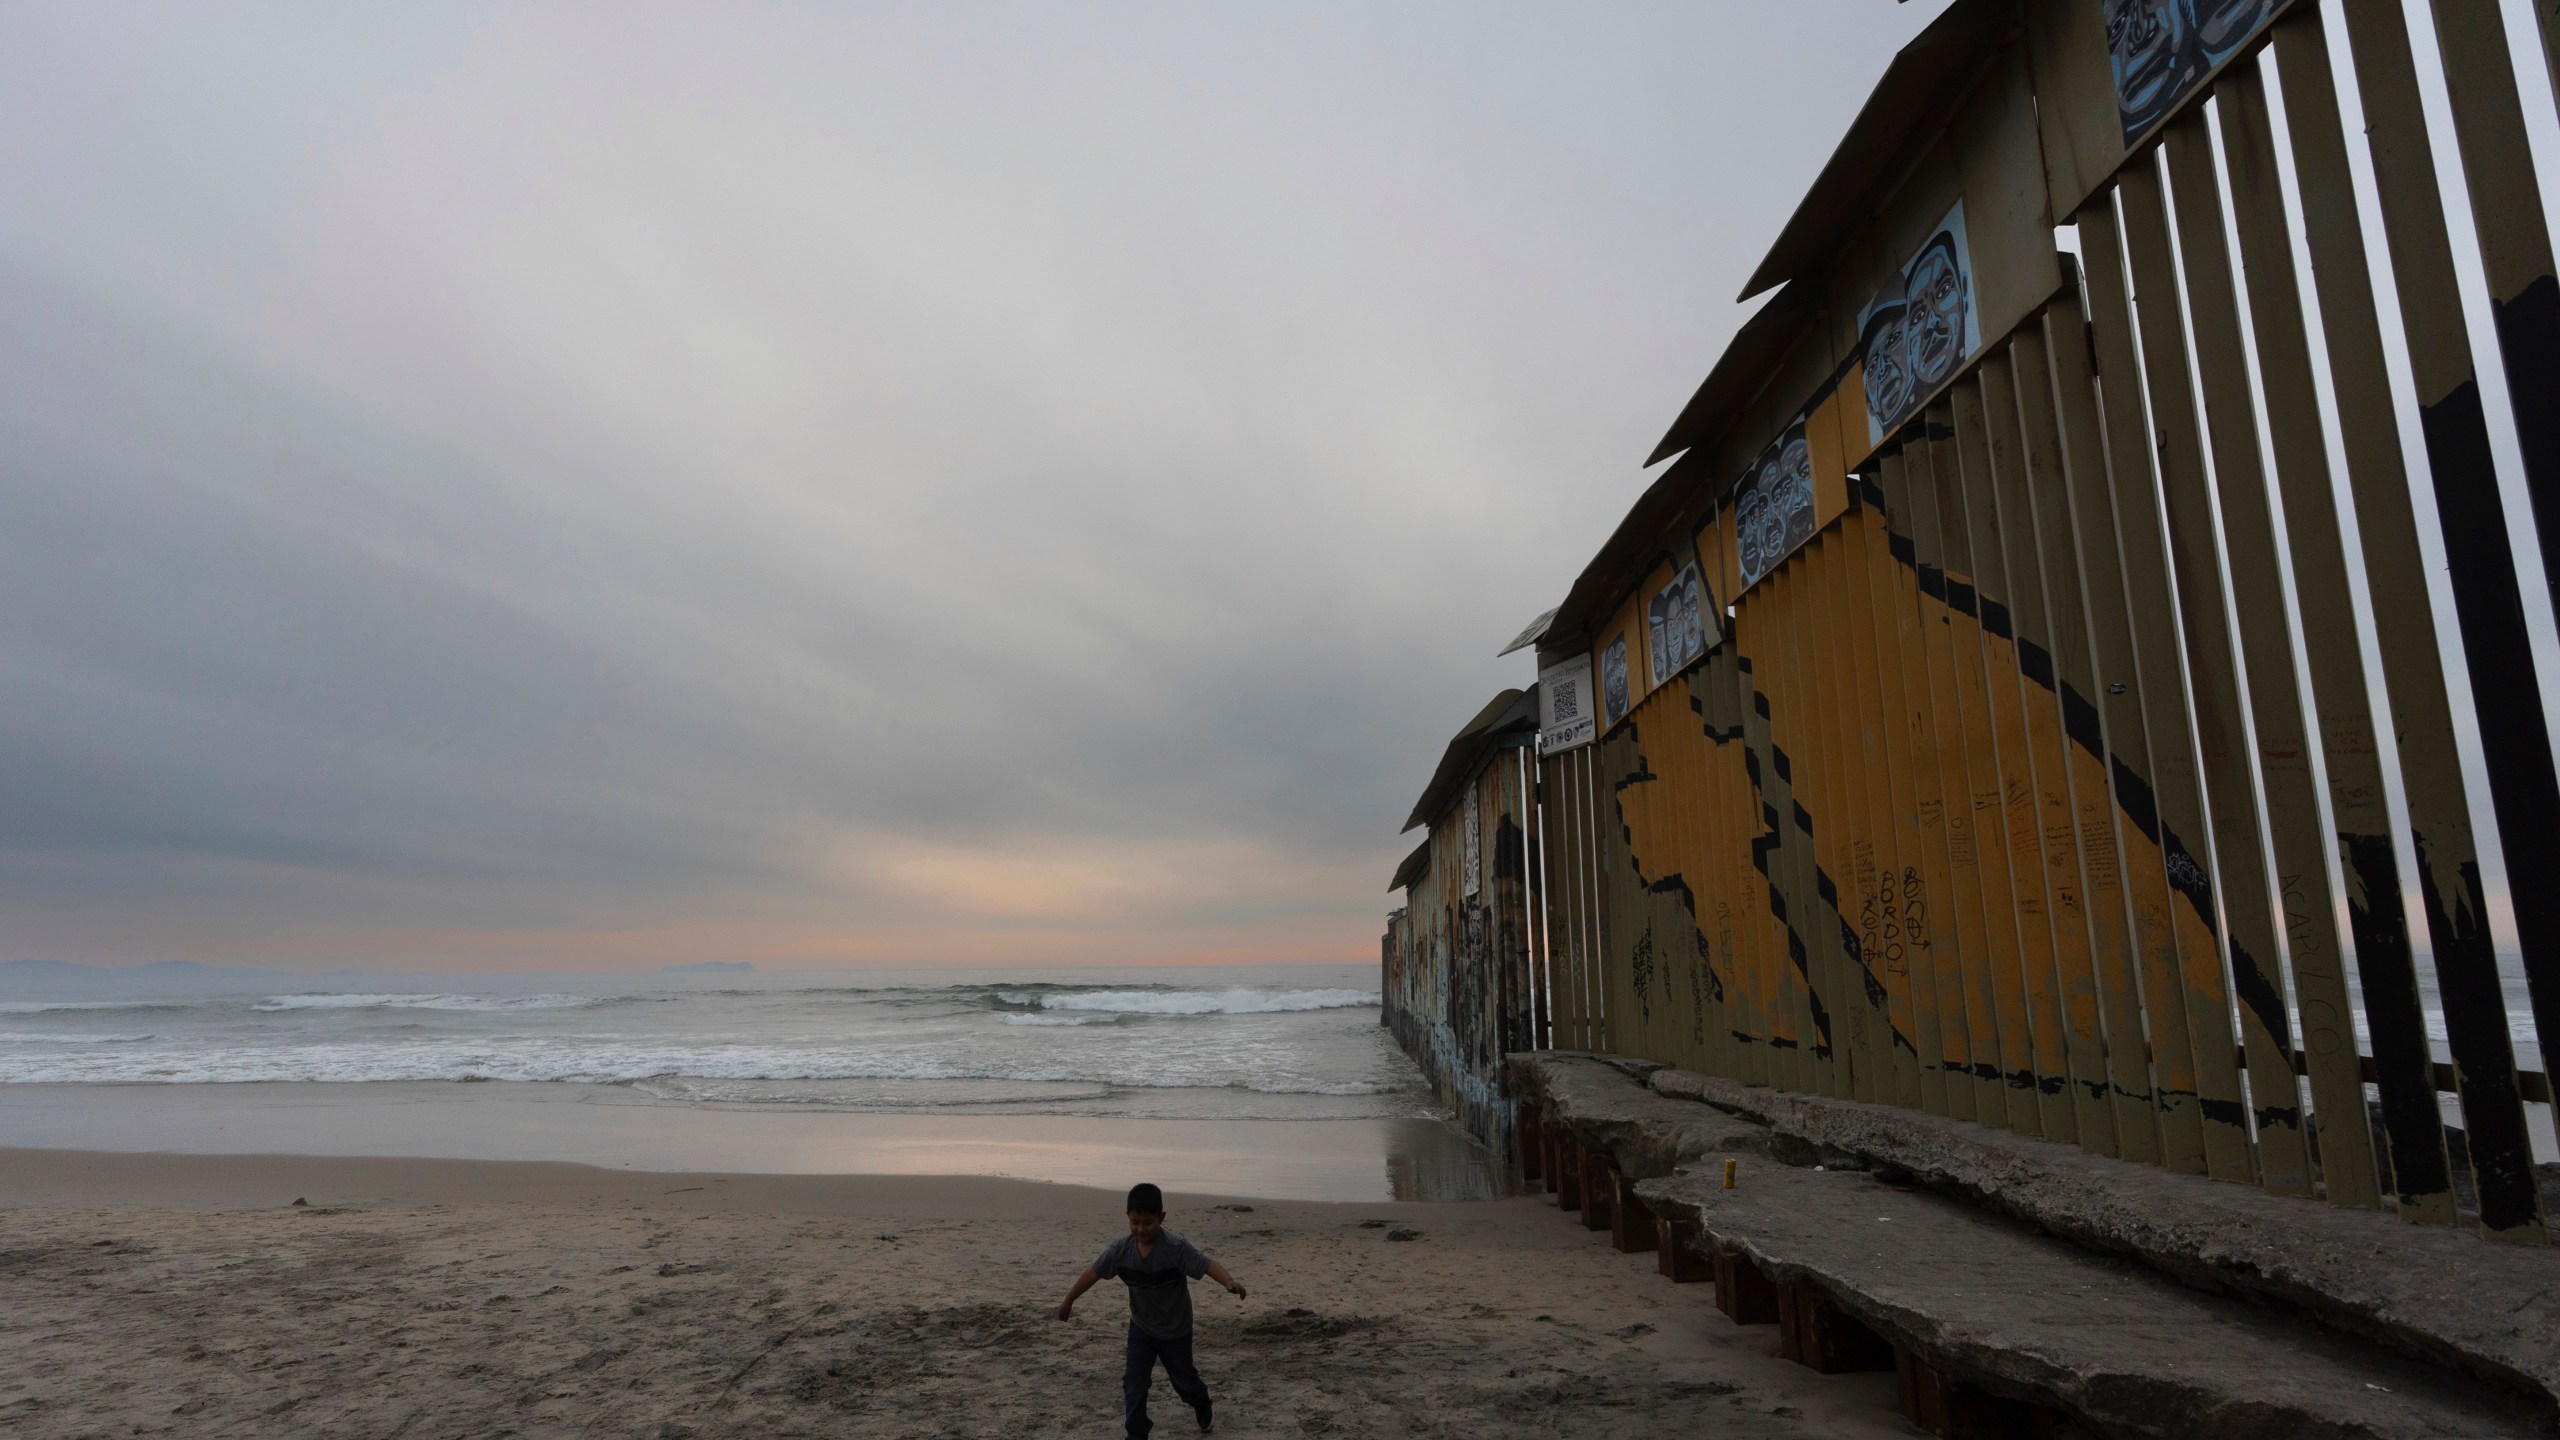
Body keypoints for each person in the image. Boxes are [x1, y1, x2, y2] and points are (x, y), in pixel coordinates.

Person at [1056, 1182, 1247, 1437]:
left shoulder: (1175, 1248)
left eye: (1148, 1222)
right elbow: (1092, 1273)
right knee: (1134, 1386)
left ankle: (1201, 1402)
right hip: (1142, 1328)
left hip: (1176, 1330)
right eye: (1135, 1222)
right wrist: (1069, 1301)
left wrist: (1228, 1281)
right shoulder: (1120, 1250)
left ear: (1161, 1218)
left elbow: (1206, 1264)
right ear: (1127, 1217)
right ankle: (1136, 1434)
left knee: (1185, 1384)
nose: (1141, 1229)